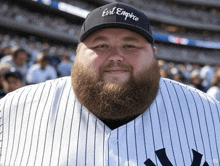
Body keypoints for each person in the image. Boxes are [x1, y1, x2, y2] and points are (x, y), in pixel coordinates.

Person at [0, 3, 219, 166]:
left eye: (131, 46)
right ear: (77, 54)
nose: (116, 56)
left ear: (153, 55)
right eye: (101, 45)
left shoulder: (210, 114)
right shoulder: (11, 110)